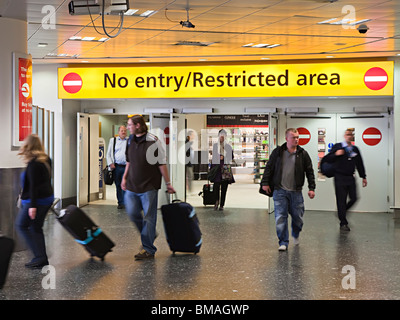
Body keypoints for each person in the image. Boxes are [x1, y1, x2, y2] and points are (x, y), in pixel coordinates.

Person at [121, 115, 175, 260]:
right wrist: (124, 177)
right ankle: (149, 234)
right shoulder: (130, 141)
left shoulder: (153, 141)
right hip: (132, 185)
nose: (127, 127)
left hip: (149, 186)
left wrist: (168, 183)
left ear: (138, 125)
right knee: (132, 213)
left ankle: (148, 249)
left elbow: (161, 164)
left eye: (130, 124)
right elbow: (129, 161)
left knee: (149, 218)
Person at [261, 128, 315, 251]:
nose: (296, 139)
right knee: (280, 216)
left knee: (298, 217)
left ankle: (296, 234)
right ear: (286, 139)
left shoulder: (303, 154)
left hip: (296, 191)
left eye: (297, 137)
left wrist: (312, 188)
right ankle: (283, 242)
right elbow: (269, 167)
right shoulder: (278, 152)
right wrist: (265, 182)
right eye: (293, 137)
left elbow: (310, 172)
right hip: (279, 190)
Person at [15, 134, 54, 269]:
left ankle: (40, 256)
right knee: (35, 227)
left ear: (28, 146)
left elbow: (33, 186)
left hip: (36, 202)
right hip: (47, 198)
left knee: (21, 225)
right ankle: (40, 256)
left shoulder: (33, 164)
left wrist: (32, 206)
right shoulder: (46, 159)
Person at [324, 129, 367, 231]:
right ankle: (343, 222)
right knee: (341, 200)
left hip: (350, 177)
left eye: (350, 135)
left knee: (354, 198)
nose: (349, 136)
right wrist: (336, 154)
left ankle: (342, 212)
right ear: (344, 136)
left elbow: (359, 163)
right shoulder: (338, 146)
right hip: (339, 177)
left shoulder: (355, 149)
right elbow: (327, 159)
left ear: (352, 137)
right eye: (347, 134)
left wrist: (363, 176)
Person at [211, 129, 235, 211]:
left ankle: (222, 205)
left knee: (224, 188)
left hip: (225, 170)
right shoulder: (215, 146)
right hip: (217, 169)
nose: (221, 137)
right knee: (216, 187)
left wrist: (224, 157)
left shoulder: (228, 146)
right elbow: (213, 157)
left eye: (223, 135)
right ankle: (216, 202)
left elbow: (231, 157)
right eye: (220, 135)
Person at [106, 125, 128, 209]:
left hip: (126, 167)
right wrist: (110, 163)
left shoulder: (129, 140)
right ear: (118, 132)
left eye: (125, 131)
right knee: (118, 185)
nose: (123, 132)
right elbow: (108, 154)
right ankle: (121, 202)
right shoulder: (113, 140)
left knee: (125, 185)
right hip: (117, 167)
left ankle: (126, 203)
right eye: (122, 131)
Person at [185, 131, 195, 195]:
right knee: (190, 176)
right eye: (192, 135)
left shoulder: (189, 143)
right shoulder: (187, 143)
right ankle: (189, 190)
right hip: (188, 163)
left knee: (190, 176)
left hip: (190, 163)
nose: (193, 136)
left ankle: (189, 189)